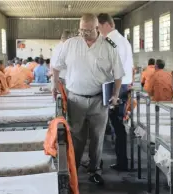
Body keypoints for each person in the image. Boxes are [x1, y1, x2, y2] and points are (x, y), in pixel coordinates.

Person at [52, 13, 124, 185]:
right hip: (75, 100)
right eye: (81, 30)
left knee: (97, 138)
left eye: (88, 30)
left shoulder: (109, 46)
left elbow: (118, 74)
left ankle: (95, 170)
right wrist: (54, 85)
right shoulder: (70, 44)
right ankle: (73, 171)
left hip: (99, 101)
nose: (84, 33)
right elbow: (56, 66)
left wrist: (115, 94)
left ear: (97, 28)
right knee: (77, 138)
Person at [98, 13, 134, 171]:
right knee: (117, 125)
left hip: (116, 87)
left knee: (117, 126)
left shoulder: (111, 41)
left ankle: (122, 162)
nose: (98, 31)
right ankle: (121, 160)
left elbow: (113, 68)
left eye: (98, 27)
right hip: (123, 85)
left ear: (106, 25)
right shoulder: (123, 40)